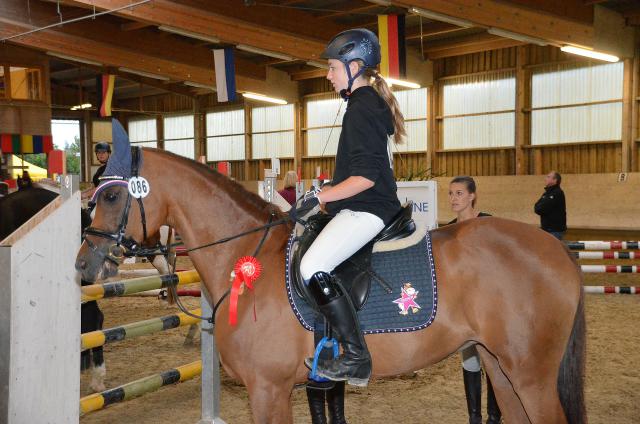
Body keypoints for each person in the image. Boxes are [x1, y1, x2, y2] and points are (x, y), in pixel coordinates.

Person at [292, 28, 405, 387]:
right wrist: (328, 189)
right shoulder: (367, 104)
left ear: (354, 67)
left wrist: (320, 198)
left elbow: (366, 178)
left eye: (332, 67)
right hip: (367, 205)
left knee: (312, 266)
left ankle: (356, 357)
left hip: (368, 209)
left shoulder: (361, 109)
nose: (328, 75)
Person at [447, 176, 501, 424]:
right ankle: (474, 418)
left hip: (489, 305)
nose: (453, 198)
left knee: (492, 362)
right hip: (463, 309)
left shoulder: (488, 223)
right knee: (469, 361)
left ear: (472, 196)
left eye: (459, 193)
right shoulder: (448, 230)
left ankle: (494, 417)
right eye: (451, 193)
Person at [534, 171, 566, 240]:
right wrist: (539, 208)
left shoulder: (557, 193)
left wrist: (540, 208)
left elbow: (541, 209)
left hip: (554, 231)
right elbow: (536, 207)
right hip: (546, 229)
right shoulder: (546, 193)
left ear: (555, 180)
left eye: (548, 177)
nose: (545, 179)